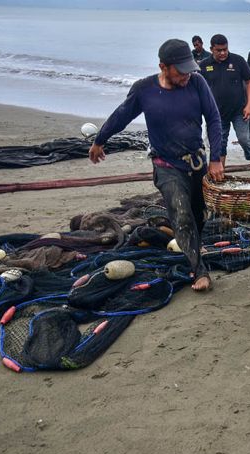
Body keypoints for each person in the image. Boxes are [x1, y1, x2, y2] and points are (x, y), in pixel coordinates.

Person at [88, 39, 223, 292]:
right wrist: (100, 140)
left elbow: (214, 119)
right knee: (181, 214)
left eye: (190, 69)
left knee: (198, 213)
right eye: (181, 71)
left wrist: (216, 158)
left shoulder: (197, 83)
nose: (187, 75)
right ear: (163, 66)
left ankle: (195, 245)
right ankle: (199, 270)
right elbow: (122, 115)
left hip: (197, 163)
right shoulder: (145, 90)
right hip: (166, 165)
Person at [199, 34, 250, 177]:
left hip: (239, 110)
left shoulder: (238, 61)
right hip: (217, 113)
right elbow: (197, 88)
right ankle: (220, 170)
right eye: (219, 50)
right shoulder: (204, 65)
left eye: (225, 49)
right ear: (211, 49)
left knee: (244, 139)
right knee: (220, 142)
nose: (223, 53)